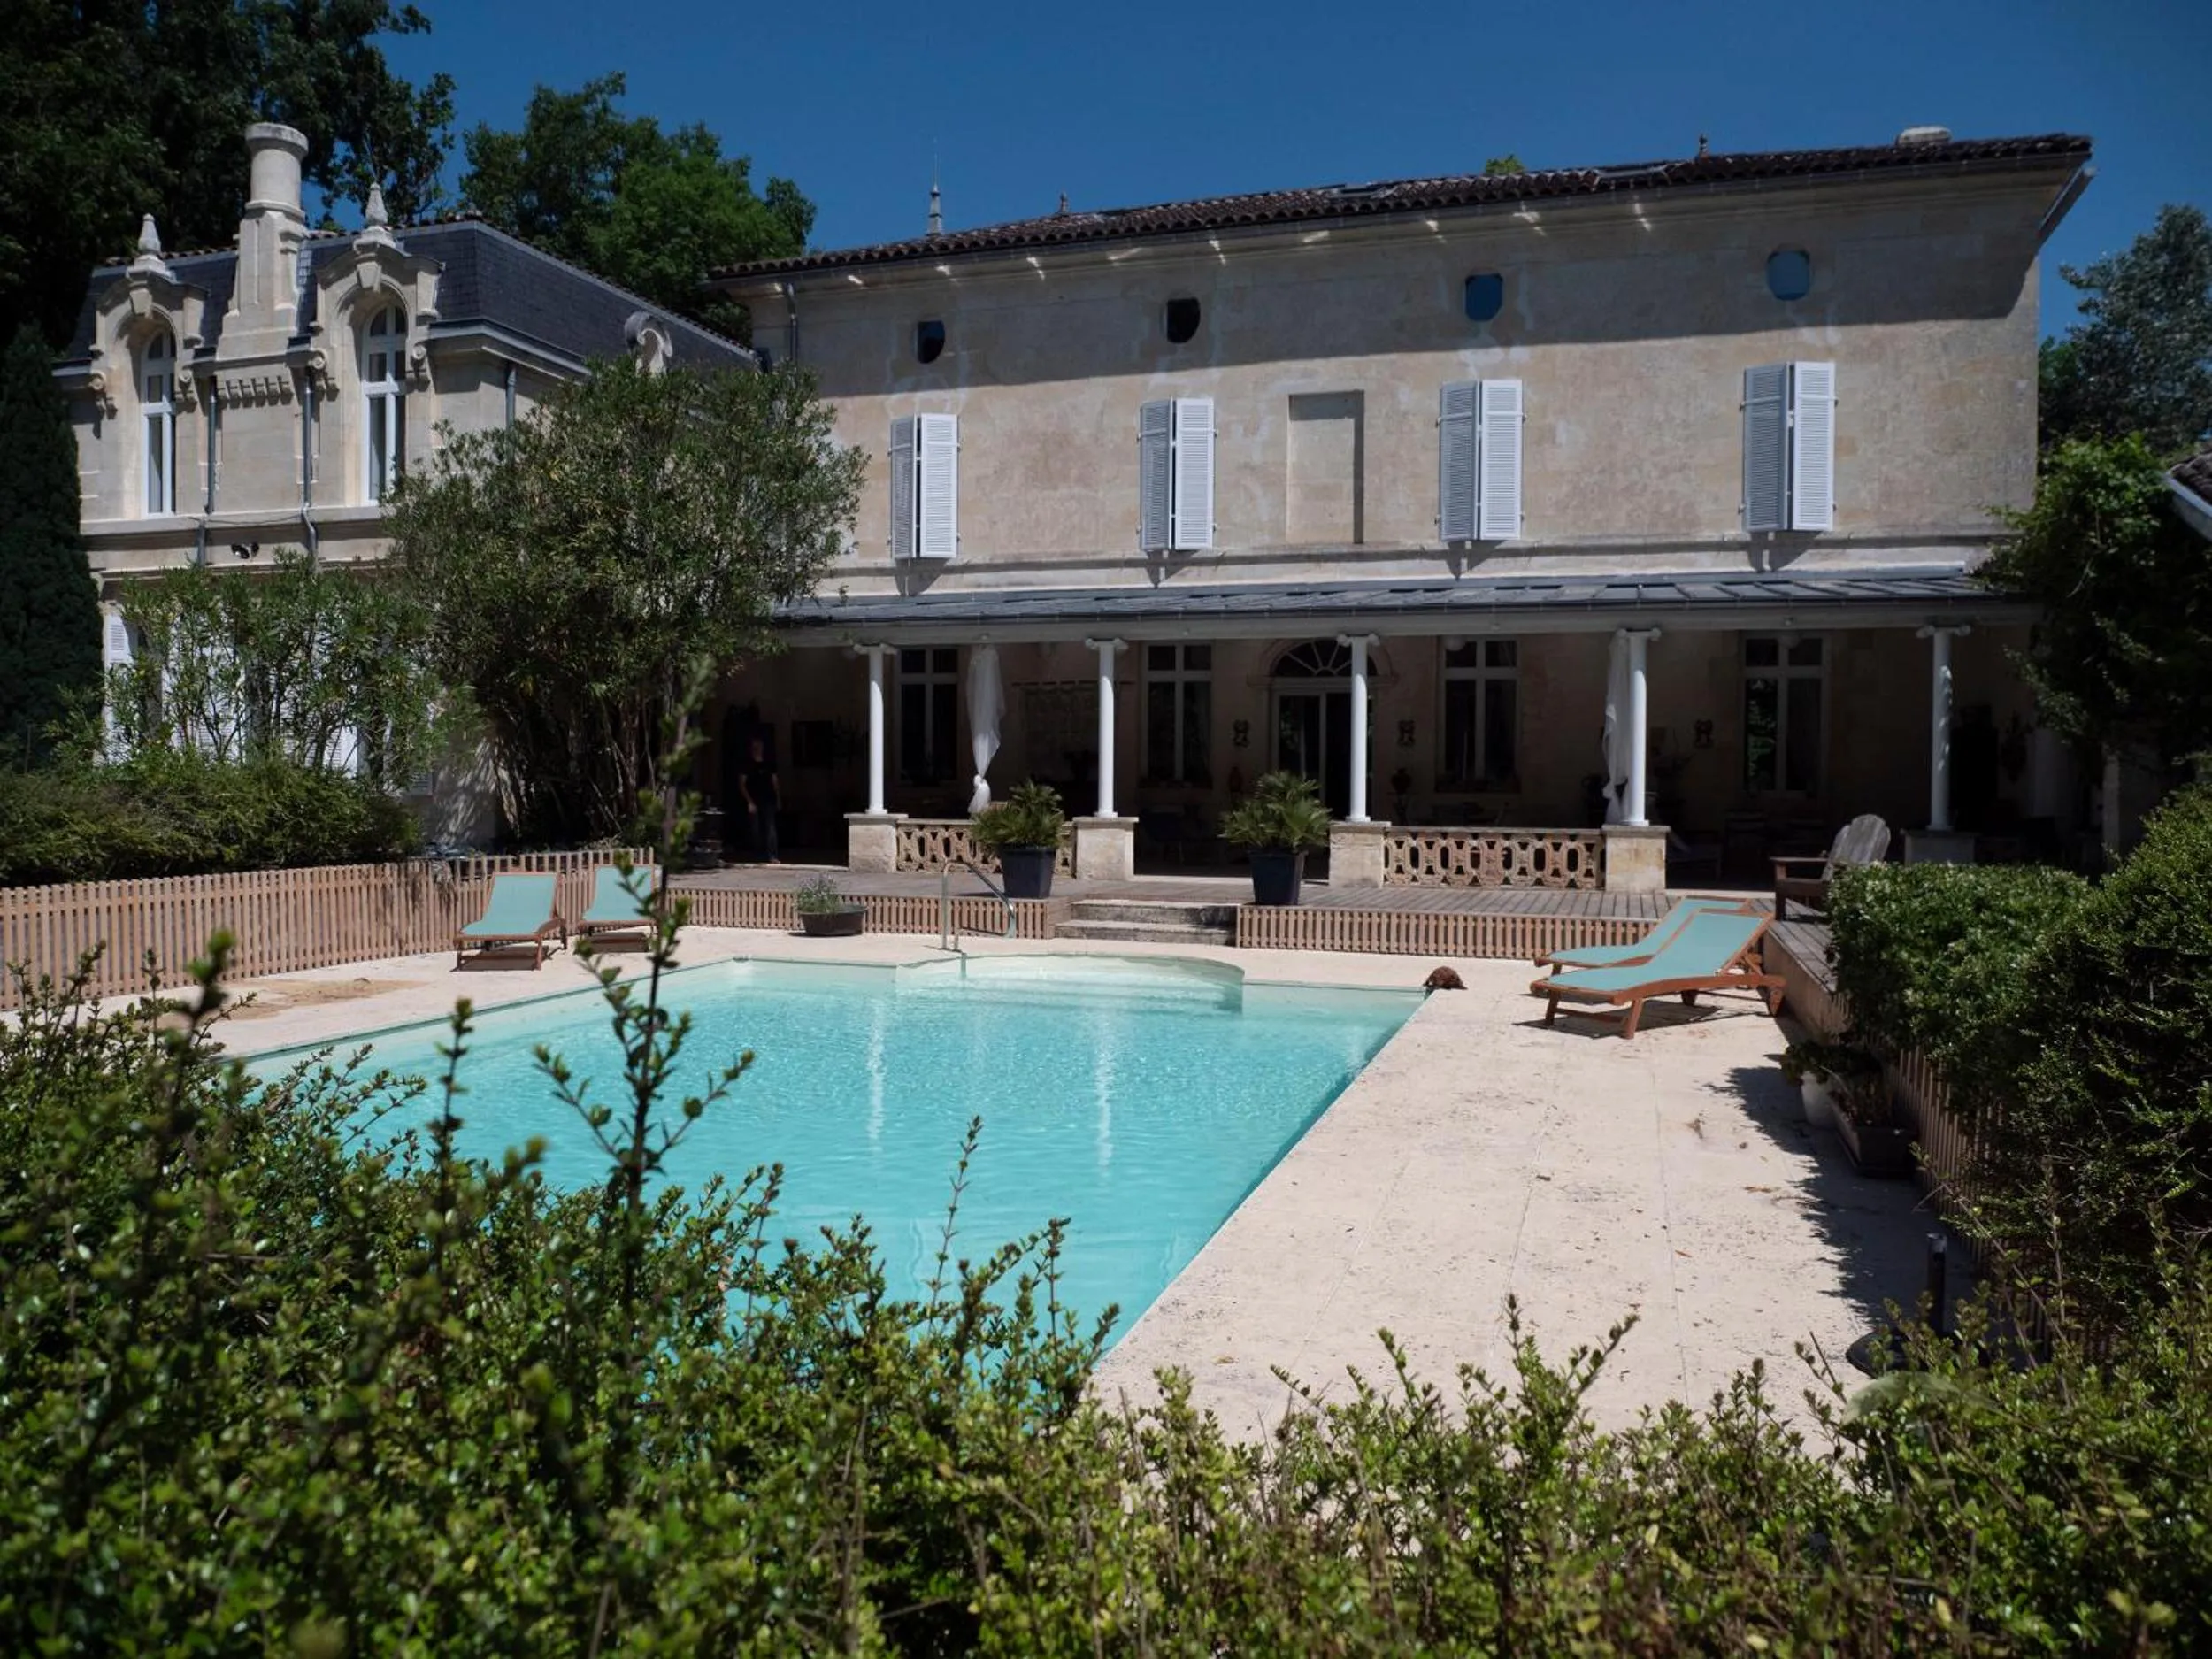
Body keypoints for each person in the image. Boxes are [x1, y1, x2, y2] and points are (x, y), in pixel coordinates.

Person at [738, 733, 780, 864]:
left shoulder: (769, 763)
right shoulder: (747, 764)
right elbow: (741, 784)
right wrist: (749, 801)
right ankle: (758, 856)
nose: (757, 748)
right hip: (754, 800)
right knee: (755, 829)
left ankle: (772, 855)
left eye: (759, 745)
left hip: (769, 800)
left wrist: (778, 799)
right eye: (755, 746)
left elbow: (775, 782)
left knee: (770, 829)